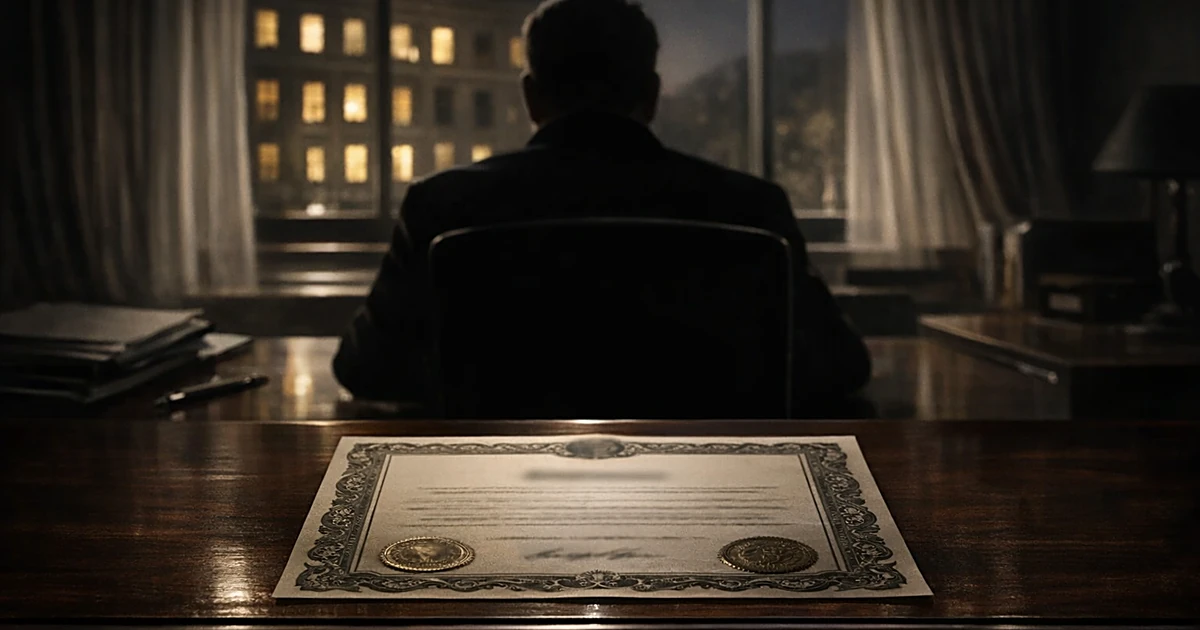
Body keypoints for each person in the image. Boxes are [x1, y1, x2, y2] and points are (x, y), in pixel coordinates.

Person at [333, 0, 872, 412]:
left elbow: (367, 368)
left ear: (531, 96)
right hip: (709, 492)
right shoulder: (750, 206)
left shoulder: (441, 205)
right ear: (652, 95)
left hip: (499, 492)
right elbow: (839, 366)